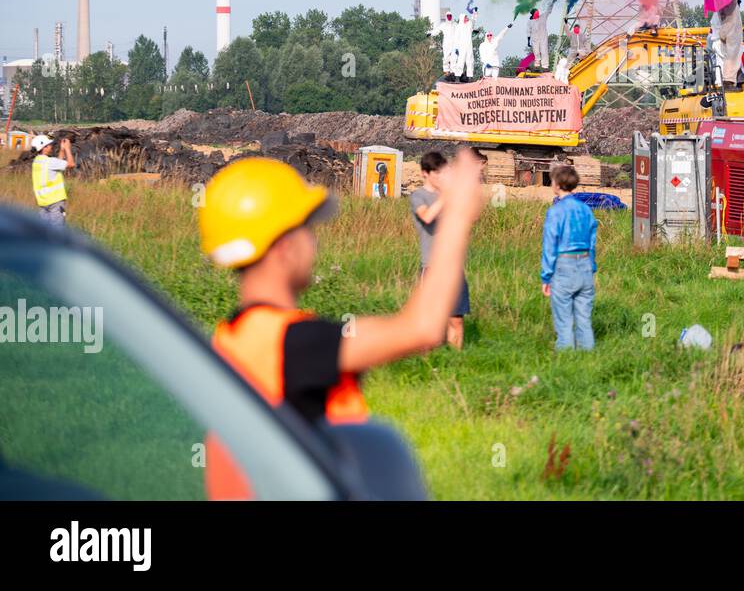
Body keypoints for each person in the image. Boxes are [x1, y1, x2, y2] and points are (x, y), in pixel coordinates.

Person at [197, 151, 484, 499]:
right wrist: (458, 216)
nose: (315, 241)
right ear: (285, 247)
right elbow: (422, 328)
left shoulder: (234, 335)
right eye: (308, 229)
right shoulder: (292, 343)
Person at [409, 150, 470, 350]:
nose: (441, 177)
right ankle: (429, 367)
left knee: (456, 319)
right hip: (431, 266)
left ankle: (456, 363)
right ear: (425, 173)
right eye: (437, 173)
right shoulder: (419, 196)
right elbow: (426, 217)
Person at [540, 163, 598, 351]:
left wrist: (546, 276)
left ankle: (566, 358)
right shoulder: (586, 210)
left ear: (556, 184)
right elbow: (592, 242)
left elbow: (550, 246)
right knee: (584, 319)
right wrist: (591, 268)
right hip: (585, 265)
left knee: (564, 321)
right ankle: (588, 357)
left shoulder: (555, 212)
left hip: (564, 265)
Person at [30, 134, 75, 226]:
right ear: (44, 147)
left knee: (45, 232)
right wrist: (67, 149)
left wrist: (61, 150)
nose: (51, 147)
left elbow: (57, 163)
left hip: (43, 203)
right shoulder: (49, 161)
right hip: (55, 202)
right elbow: (71, 164)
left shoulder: (36, 162)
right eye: (49, 145)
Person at [434, 10, 457, 81]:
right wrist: (430, 33)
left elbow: (462, 29)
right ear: (446, 17)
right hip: (446, 44)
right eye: (448, 16)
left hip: (454, 44)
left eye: (450, 16)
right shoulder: (443, 25)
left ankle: (453, 71)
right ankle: (446, 71)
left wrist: (471, 31)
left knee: (454, 58)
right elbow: (436, 30)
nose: (449, 17)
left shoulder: (455, 24)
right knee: (446, 57)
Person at [527, 6, 550, 71]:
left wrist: (553, 2)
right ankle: (536, 66)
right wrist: (528, 41)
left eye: (538, 12)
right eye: (536, 12)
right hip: (534, 39)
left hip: (543, 38)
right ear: (533, 14)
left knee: (544, 51)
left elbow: (548, 10)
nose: (538, 13)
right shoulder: (530, 22)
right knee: (536, 52)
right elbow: (528, 31)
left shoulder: (543, 17)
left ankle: (545, 66)